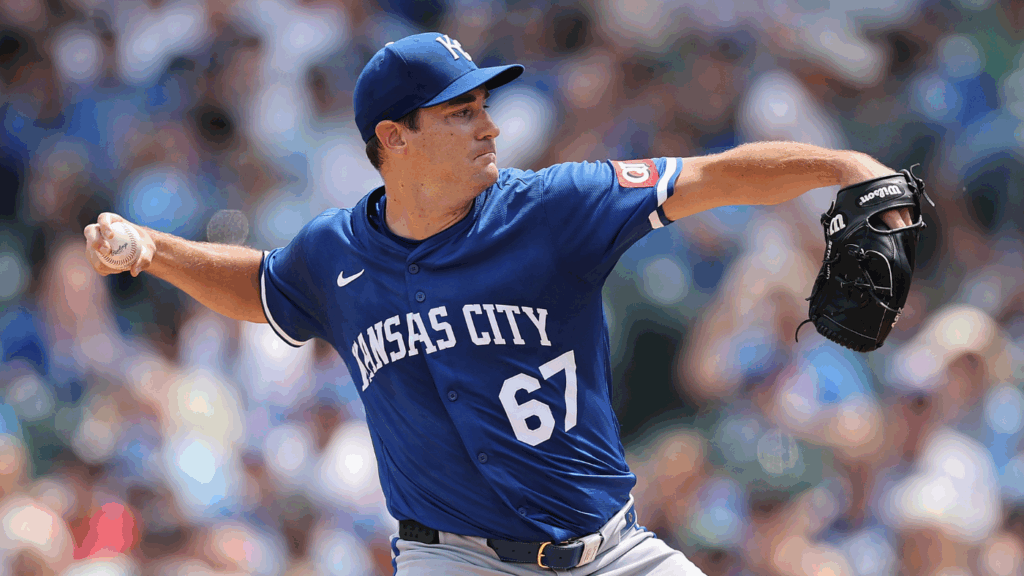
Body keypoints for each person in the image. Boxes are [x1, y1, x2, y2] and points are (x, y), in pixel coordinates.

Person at [84, 32, 915, 575]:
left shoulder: (554, 206)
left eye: (486, 105)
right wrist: (157, 250)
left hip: (609, 551)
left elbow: (713, 175)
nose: (489, 126)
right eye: (461, 112)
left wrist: (841, 165)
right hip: (455, 560)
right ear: (393, 140)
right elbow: (264, 284)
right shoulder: (334, 253)